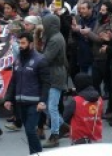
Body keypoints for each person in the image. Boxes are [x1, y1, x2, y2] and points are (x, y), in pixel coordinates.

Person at [4, 32, 51, 154]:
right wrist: (8, 99)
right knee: (28, 131)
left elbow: (46, 83)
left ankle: (38, 153)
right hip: (20, 103)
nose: (20, 45)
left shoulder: (40, 60)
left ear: (31, 44)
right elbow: (13, 81)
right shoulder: (18, 60)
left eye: (23, 43)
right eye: (19, 43)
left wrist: (42, 101)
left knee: (30, 130)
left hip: (34, 103)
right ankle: (34, 153)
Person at [41, 14, 68, 147]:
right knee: (47, 105)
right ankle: (62, 126)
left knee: (52, 106)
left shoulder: (55, 40)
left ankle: (54, 135)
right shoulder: (53, 37)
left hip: (55, 74)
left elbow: (46, 58)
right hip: (53, 73)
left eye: (45, 23)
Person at [62, 73, 103, 145]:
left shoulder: (75, 101)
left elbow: (65, 117)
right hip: (96, 137)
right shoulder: (99, 99)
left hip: (79, 138)